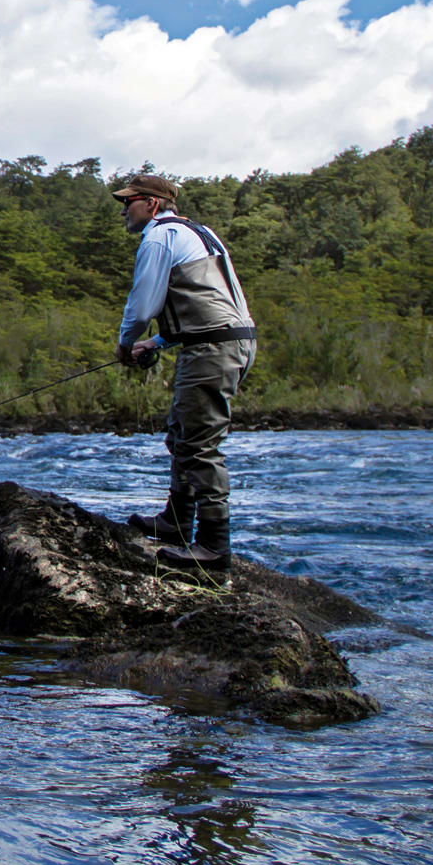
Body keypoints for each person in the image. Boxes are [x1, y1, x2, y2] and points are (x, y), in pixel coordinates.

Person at [112, 173, 256, 571]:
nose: (124, 209)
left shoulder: (158, 237)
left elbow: (143, 307)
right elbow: (209, 302)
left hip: (213, 348)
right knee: (182, 433)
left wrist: (126, 345)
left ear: (152, 204)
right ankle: (176, 524)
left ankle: (212, 547)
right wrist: (156, 344)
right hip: (225, 342)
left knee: (198, 445)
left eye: (129, 202)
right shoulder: (198, 232)